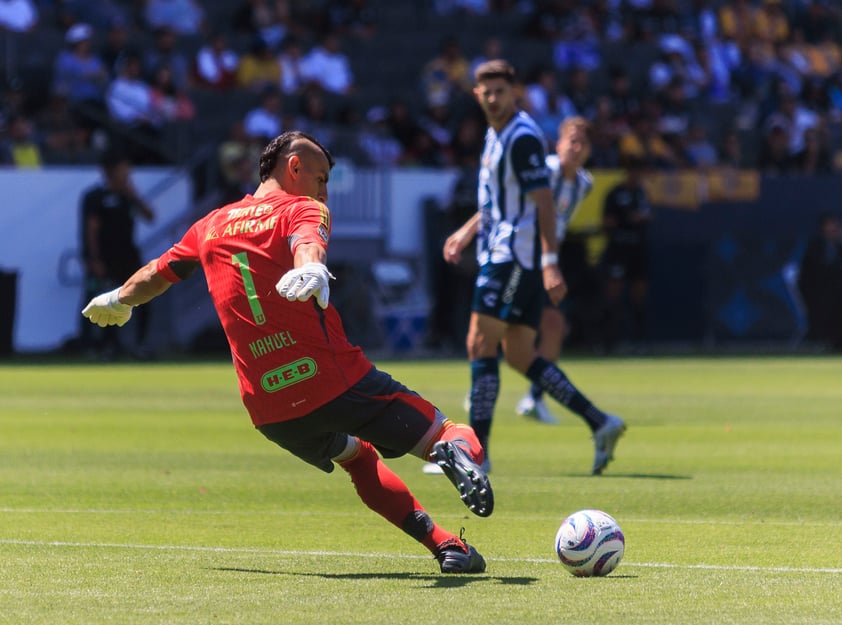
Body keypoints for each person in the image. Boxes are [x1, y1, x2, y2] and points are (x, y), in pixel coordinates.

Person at [80, 130, 493, 574]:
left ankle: (447, 546)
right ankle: (453, 453)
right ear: (294, 167)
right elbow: (307, 243)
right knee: (452, 434)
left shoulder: (211, 225)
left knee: (358, 458)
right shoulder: (303, 208)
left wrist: (117, 299)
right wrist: (312, 266)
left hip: (272, 410)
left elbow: (157, 274)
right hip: (334, 381)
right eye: (321, 178)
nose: (324, 191)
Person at [432, 60, 625, 476]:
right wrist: (465, 234)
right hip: (510, 255)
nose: (494, 97)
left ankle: (476, 457)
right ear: (476, 94)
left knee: (479, 344)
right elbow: (498, 203)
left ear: (514, 92)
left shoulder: (521, 139)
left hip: (513, 257)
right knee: (520, 355)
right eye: (487, 91)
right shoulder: (495, 134)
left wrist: (551, 262)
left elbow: (543, 207)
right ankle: (600, 422)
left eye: (502, 90)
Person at [515, 116, 594, 425]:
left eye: (582, 143)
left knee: (553, 326)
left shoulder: (584, 184)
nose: (575, 148)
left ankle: (534, 397)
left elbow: (558, 223)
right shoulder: (543, 171)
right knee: (499, 328)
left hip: (545, 261)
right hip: (519, 256)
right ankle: (482, 381)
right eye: (570, 141)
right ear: (558, 143)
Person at [79, 151, 155, 360]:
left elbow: (150, 216)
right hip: (105, 258)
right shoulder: (95, 197)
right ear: (110, 170)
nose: (127, 173)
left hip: (128, 256)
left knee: (144, 296)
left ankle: (141, 344)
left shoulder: (128, 196)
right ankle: (103, 346)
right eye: (123, 168)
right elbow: (90, 230)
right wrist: (93, 259)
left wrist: (133, 196)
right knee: (105, 300)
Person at [599, 156, 653, 352]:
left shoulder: (641, 193)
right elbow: (607, 222)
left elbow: (649, 216)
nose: (636, 176)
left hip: (637, 249)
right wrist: (627, 220)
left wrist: (639, 219)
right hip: (618, 249)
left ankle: (639, 342)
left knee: (639, 296)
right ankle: (609, 343)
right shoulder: (615, 193)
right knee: (612, 296)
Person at [798, 212, 842, 351]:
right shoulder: (815, 248)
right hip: (821, 294)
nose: (832, 230)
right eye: (829, 227)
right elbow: (807, 275)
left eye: (835, 227)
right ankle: (827, 341)